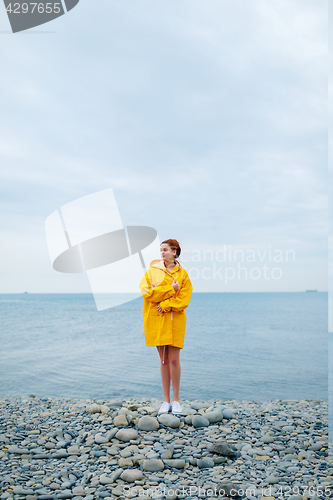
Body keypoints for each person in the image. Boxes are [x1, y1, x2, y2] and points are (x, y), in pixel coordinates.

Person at [139, 239, 193, 415]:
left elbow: (184, 300)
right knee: (163, 360)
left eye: (165, 250)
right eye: (160, 250)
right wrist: (170, 289)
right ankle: (166, 401)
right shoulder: (153, 271)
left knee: (174, 360)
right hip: (157, 320)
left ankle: (176, 400)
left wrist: (167, 304)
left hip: (175, 320)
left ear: (174, 251)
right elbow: (147, 292)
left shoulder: (183, 274)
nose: (162, 253)